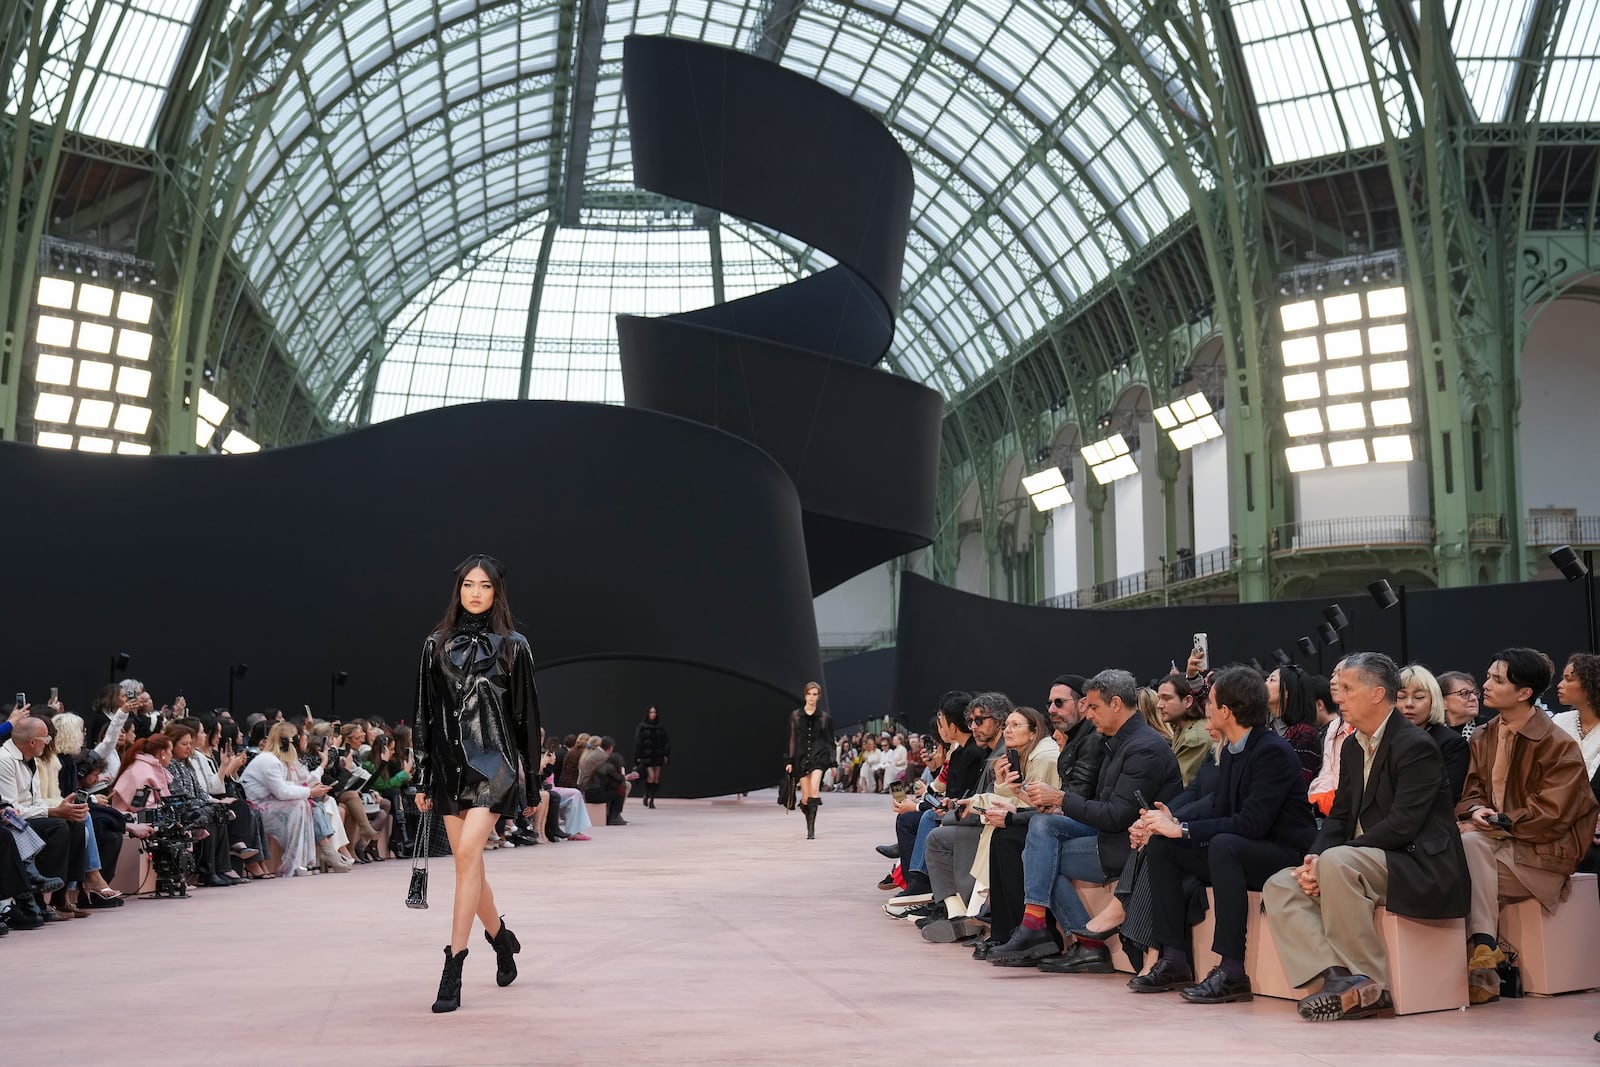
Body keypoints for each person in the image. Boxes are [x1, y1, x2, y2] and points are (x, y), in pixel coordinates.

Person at [1263, 652, 1469, 1022]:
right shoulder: (1354, 745)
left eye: (1347, 688)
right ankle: (1339, 978)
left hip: (1419, 864)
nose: (1337, 696)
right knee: (1281, 883)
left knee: (1338, 861)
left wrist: (1332, 859)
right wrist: (1314, 860)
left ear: (1376, 694)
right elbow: (1340, 818)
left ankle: (1372, 984)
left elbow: (1403, 824)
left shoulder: (1416, 746)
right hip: (1362, 860)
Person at [1129, 665, 1317, 1003]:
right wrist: (1171, 821)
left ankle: (1232, 970)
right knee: (1162, 846)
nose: (1207, 709)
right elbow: (1219, 806)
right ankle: (1173, 958)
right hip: (1248, 846)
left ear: (1226, 711)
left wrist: (1183, 828)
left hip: (1283, 851)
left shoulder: (1270, 750)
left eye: (1211, 703)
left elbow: (1250, 824)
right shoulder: (1233, 747)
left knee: (1224, 845)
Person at [987, 670, 1182, 973]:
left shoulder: (1143, 747)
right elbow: (1100, 808)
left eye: (1093, 707)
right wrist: (1040, 798)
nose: (1087, 714)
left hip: (1131, 848)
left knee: (1037, 850)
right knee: (1039, 840)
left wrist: (1060, 799)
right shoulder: (1115, 741)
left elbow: (1116, 816)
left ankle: (1051, 929)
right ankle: (1061, 933)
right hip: (1113, 836)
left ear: (1115, 704)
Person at [413, 553, 542, 1013]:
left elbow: (527, 720)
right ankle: (501, 939)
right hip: (450, 768)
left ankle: (454, 965)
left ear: (496, 592)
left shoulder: (514, 646)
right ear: (458, 589)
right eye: (469, 584)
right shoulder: (435, 645)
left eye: (484, 585)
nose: (475, 592)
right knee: (470, 867)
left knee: (467, 855)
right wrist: (423, 772)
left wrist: (534, 783)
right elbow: (424, 714)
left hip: (496, 766)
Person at [1455, 648, 1598, 1004]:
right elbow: (1470, 790)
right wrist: (1474, 811)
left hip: (1544, 857)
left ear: (1524, 693)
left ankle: (1481, 952)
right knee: (1462, 849)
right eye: (1488, 676)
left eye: (1496, 680)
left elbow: (1551, 815)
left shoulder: (1557, 744)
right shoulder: (1485, 734)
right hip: (1496, 848)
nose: (1484, 685)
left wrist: (1496, 822)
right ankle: (1484, 956)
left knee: (1460, 859)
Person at [240, 722, 326, 876]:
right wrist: (310, 791)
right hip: (254, 808)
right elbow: (282, 791)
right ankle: (292, 862)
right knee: (299, 804)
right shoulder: (269, 760)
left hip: (266, 803)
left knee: (302, 803)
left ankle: (302, 861)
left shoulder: (279, 760)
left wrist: (310, 790)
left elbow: (293, 785)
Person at [1554, 653, 1600, 881]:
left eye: (1569, 678)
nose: (1560, 685)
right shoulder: (1559, 722)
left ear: (1591, 682)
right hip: (1560, 816)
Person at [1397, 664, 1470, 803]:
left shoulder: (1452, 744)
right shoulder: (1381, 738)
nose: (1409, 704)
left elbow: (1447, 796)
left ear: (1433, 701)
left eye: (1419, 697)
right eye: (1401, 696)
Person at [785, 681, 835, 840]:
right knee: (806, 798)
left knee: (814, 791)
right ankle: (809, 821)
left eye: (815, 694)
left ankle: (811, 830)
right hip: (801, 758)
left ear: (819, 696)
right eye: (809, 694)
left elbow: (830, 741)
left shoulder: (824, 718)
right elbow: (792, 739)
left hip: (819, 756)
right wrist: (789, 761)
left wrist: (833, 762)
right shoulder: (795, 715)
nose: (812, 697)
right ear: (805, 694)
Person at [1267, 665, 1322, 783]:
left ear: (1287, 692)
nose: (1264, 684)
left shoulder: (1305, 734)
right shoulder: (1265, 727)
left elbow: (1299, 779)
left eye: (1272, 680)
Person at [1157, 674, 1210, 788]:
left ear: (1187, 701)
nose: (1159, 705)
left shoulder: (1195, 737)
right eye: (1159, 698)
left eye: (1167, 698)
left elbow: (1180, 785)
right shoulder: (1182, 728)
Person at [632, 707, 670, 809]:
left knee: (656, 777)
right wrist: (638, 755)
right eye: (651, 712)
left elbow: (666, 741)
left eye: (655, 712)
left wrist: (666, 754)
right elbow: (638, 742)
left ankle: (652, 800)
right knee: (651, 776)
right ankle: (646, 795)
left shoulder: (660, 727)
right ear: (647, 713)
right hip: (646, 755)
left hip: (658, 755)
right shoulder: (642, 727)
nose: (653, 714)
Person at [1438, 670, 1484, 739]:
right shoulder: (1432, 733)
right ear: (1442, 702)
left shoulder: (1489, 728)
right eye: (1465, 693)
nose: (1474, 698)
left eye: (1474, 693)